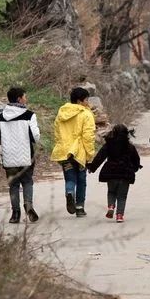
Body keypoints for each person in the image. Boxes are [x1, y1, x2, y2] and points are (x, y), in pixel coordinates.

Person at [0, 86, 41, 224]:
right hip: (26, 155)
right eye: (24, 97)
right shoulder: (29, 115)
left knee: (13, 185)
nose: (26, 99)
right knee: (27, 181)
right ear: (19, 99)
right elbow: (36, 136)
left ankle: (15, 214)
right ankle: (28, 205)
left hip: (9, 157)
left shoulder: (0, 117)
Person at [51, 87, 96, 217]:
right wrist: (90, 154)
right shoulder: (86, 114)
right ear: (79, 101)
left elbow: (57, 133)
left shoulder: (61, 112)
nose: (88, 102)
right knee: (81, 179)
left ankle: (69, 191)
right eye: (86, 99)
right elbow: (88, 136)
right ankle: (80, 207)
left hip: (64, 151)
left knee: (70, 177)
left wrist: (60, 145)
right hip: (79, 152)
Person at [88, 124, 142, 223]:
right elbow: (136, 160)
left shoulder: (109, 145)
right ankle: (119, 215)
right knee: (122, 196)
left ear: (113, 132)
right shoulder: (130, 146)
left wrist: (92, 167)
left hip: (111, 173)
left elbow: (100, 157)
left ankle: (111, 206)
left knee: (111, 192)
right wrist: (134, 169)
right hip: (125, 173)